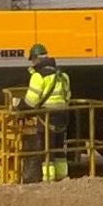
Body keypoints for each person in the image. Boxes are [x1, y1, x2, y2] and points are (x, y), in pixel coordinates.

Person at [21, 43, 71, 182]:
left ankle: (48, 178)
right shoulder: (62, 75)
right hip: (62, 116)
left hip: (46, 117)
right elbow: (67, 96)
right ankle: (62, 177)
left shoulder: (38, 76)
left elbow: (31, 101)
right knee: (60, 147)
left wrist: (20, 106)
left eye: (32, 60)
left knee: (46, 149)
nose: (32, 63)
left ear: (36, 58)